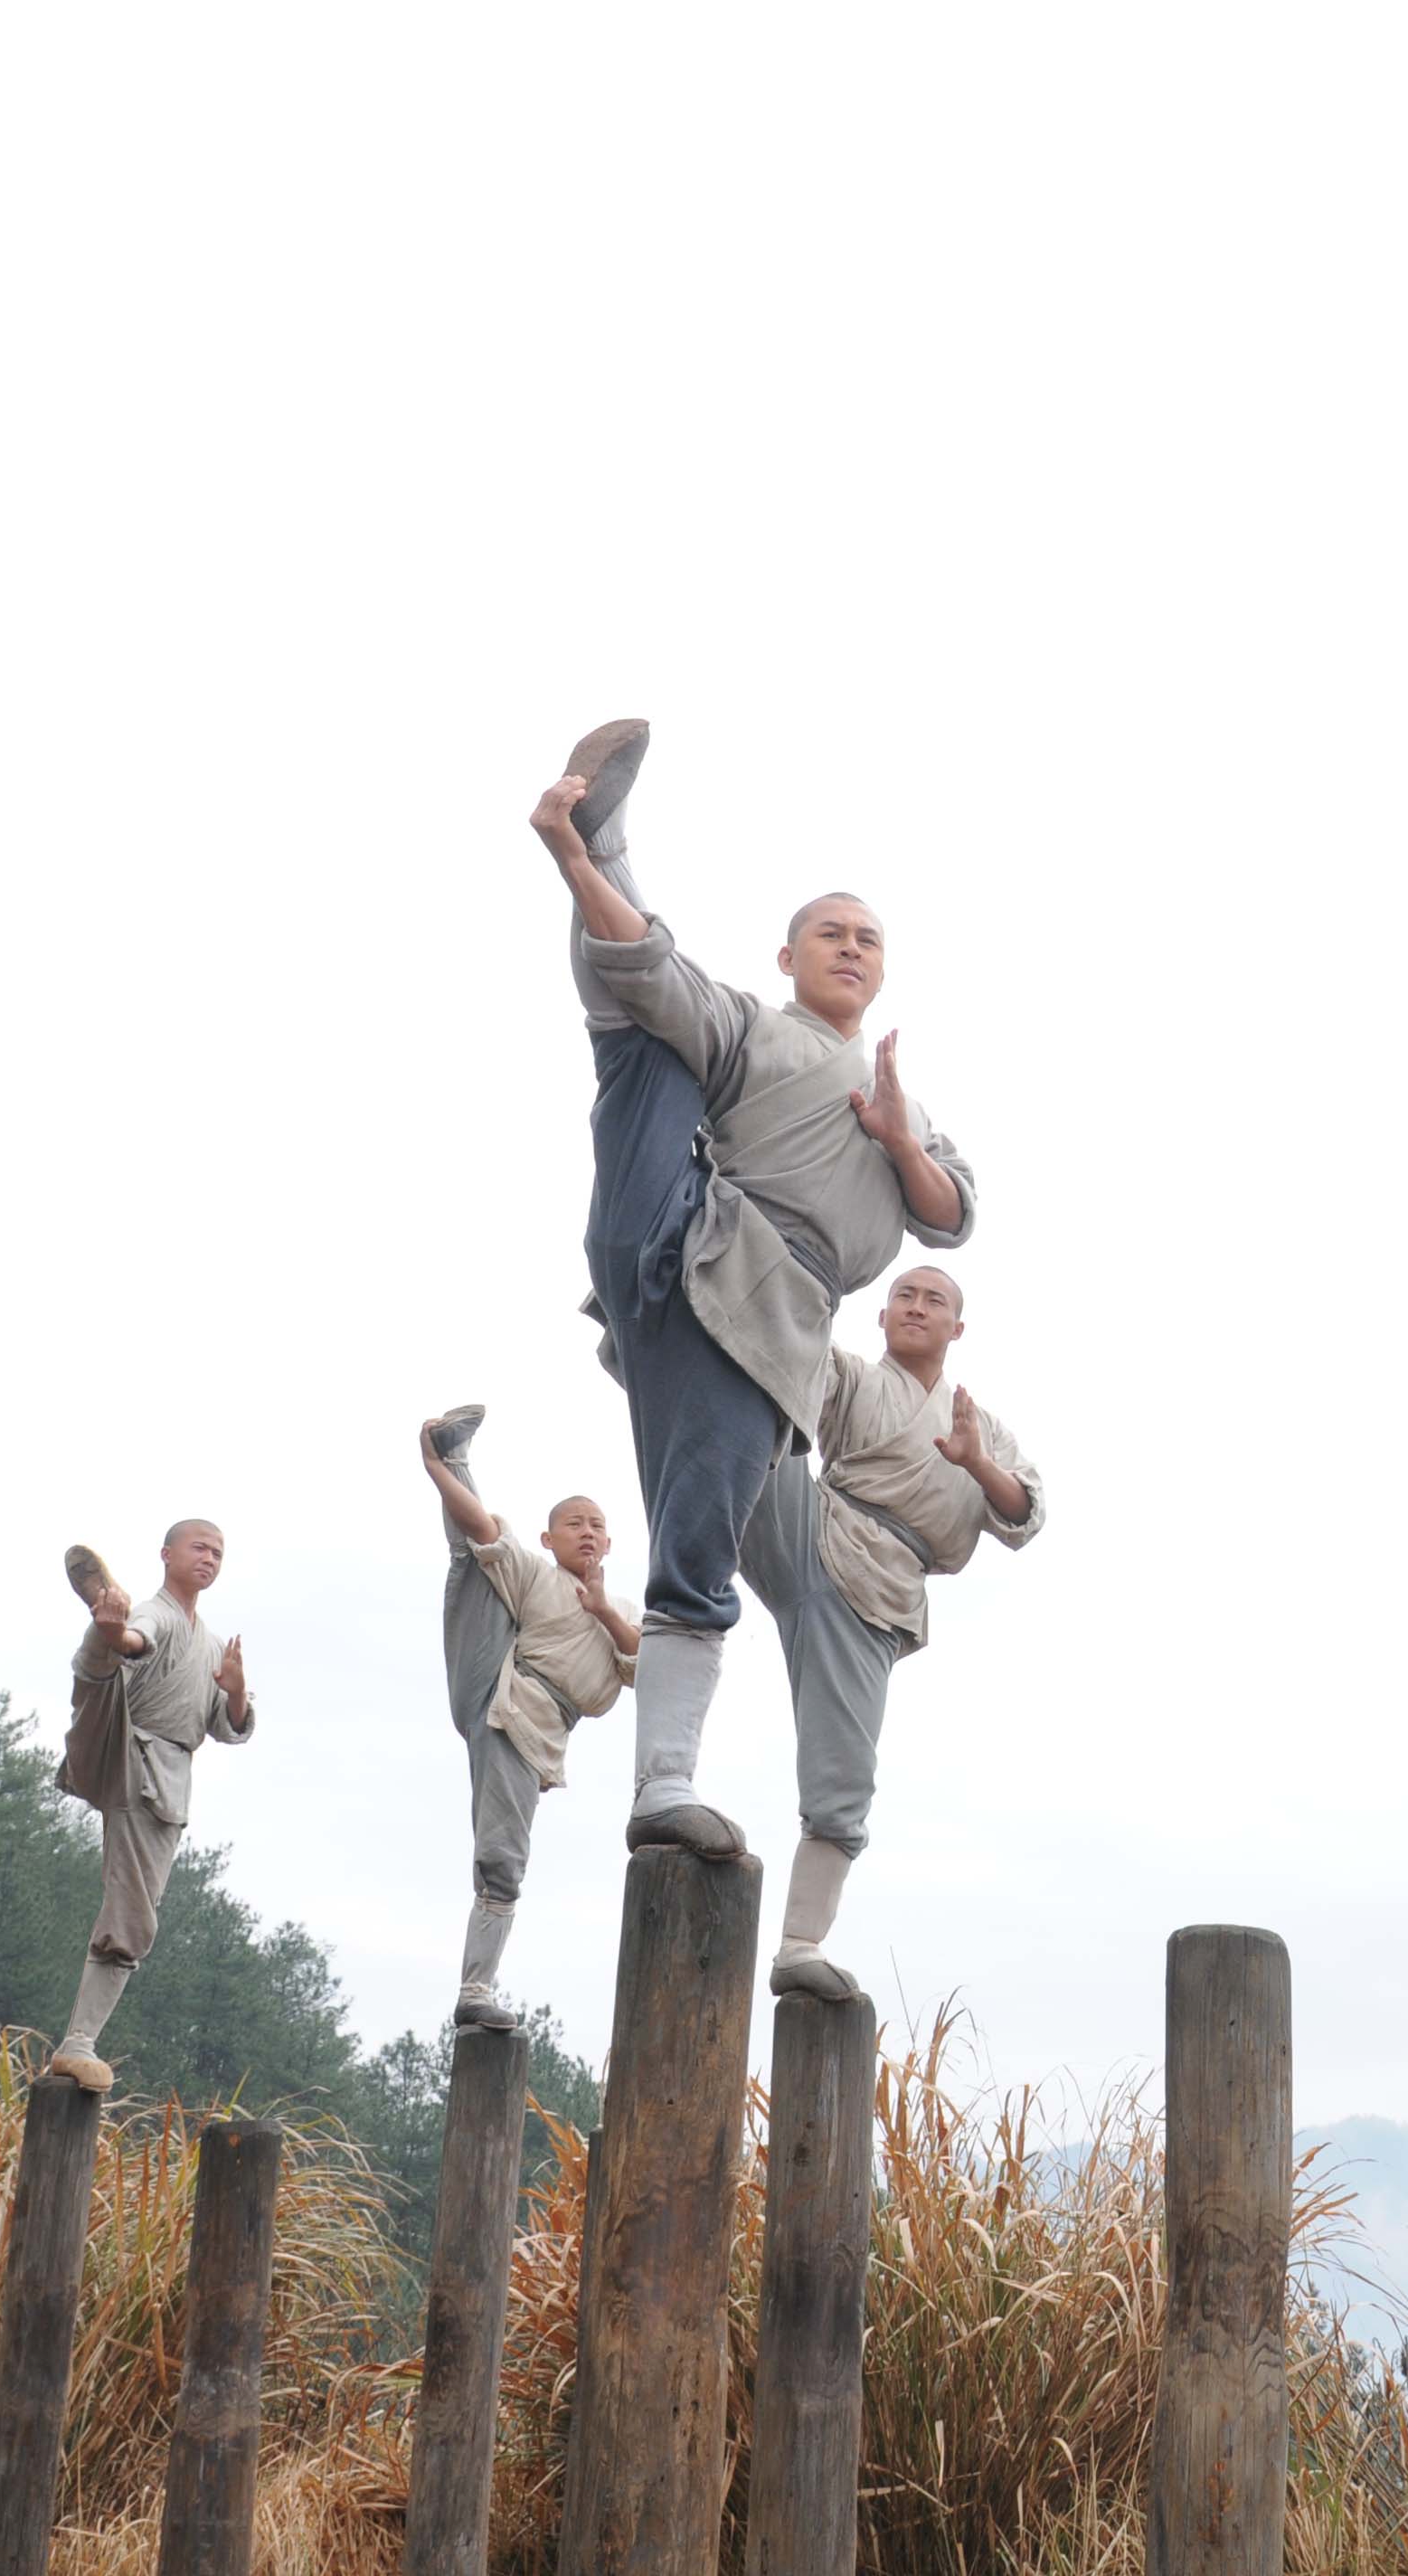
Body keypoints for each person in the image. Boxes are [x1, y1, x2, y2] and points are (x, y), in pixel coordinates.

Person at [531, 720, 978, 1861]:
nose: (850, 947)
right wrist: (583, 876)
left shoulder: (909, 1109)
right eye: (829, 932)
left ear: (886, 967)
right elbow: (656, 973)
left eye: (868, 938)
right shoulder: (755, 1025)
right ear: (789, 957)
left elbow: (951, 1214)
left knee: (697, 1541)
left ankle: (660, 1784)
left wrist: (893, 1132)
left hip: (769, 1318)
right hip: (678, 1231)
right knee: (650, 1016)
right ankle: (596, 849)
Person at [743, 1264, 1046, 2002]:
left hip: (878, 1593)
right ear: (880, 1318)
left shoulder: (980, 1423)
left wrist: (976, 1461)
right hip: (811, 1523)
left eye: (933, 1299)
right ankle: (645, 1329)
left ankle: (800, 1943)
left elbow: (1026, 1515)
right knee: (752, 1393)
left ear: (957, 1328)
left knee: (845, 1776)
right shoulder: (854, 1376)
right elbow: (801, 1377)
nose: (916, 1307)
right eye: (904, 1297)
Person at [418, 1406, 640, 2030]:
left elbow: (647, 1668)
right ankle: (476, 1989)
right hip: (498, 1688)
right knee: (476, 1558)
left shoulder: (620, 1606)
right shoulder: (537, 1574)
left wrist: (603, 1611)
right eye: (574, 1523)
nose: (588, 1533)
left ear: (611, 1541)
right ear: (551, 1538)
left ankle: (476, 1986)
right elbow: (485, 1528)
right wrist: (438, 1471)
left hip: (541, 1728)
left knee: (506, 1855)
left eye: (598, 1525)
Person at [47, 1525, 255, 2091]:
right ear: (167, 1555)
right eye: (199, 1548)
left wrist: (235, 1689)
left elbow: (229, 1726)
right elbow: (138, 1640)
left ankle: (80, 2041)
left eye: (218, 1552)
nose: (209, 1558)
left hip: (172, 1777)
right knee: (131, 1918)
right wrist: (117, 1630)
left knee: (139, 1913)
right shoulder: (157, 1614)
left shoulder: (211, 1643)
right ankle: (79, 2042)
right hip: (132, 1755)